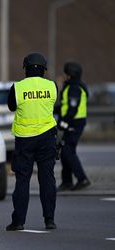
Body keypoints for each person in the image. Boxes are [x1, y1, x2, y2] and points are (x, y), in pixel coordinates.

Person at [6, 52, 58, 231]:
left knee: (22, 180)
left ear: (25, 68)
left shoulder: (18, 87)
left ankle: (18, 221)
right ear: (44, 69)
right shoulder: (52, 86)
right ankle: (49, 219)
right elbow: (54, 105)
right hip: (47, 138)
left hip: (25, 140)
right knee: (47, 179)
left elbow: (12, 106)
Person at [56, 62, 90, 191]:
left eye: (66, 74)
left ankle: (82, 179)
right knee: (66, 151)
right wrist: (55, 110)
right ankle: (67, 182)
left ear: (70, 74)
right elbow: (65, 106)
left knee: (68, 151)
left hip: (74, 123)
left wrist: (64, 124)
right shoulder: (72, 86)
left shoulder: (74, 88)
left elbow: (72, 109)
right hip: (73, 122)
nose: (65, 76)